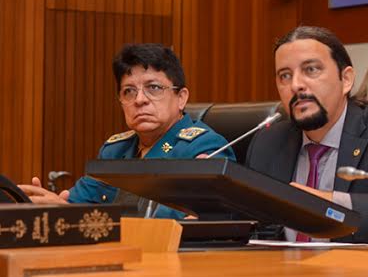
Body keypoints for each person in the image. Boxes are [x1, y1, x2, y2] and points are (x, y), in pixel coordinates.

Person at [246, 26, 368, 243]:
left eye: (311, 70)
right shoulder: (267, 142)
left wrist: (332, 205)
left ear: (346, 79)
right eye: (285, 75)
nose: (296, 85)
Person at [19, 44, 235, 217]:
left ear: (181, 98)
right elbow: (76, 206)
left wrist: (91, 216)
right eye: (129, 91)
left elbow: (203, 220)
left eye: (154, 88)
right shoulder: (115, 150)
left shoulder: (204, 147)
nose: (140, 100)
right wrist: (55, 207)